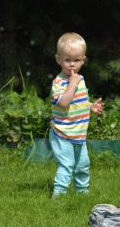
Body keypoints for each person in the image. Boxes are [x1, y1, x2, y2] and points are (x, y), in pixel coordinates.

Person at [49, 32, 103, 199]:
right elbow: (64, 103)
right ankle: (58, 195)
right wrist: (72, 84)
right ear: (59, 59)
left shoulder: (80, 79)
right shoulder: (59, 82)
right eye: (67, 60)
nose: (72, 65)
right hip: (62, 133)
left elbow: (77, 102)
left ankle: (82, 193)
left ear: (83, 60)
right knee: (67, 164)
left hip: (78, 133)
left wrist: (90, 106)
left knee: (82, 165)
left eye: (77, 60)